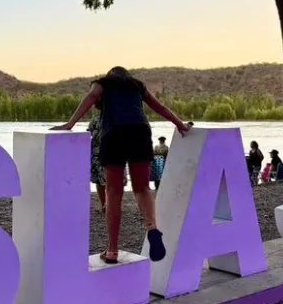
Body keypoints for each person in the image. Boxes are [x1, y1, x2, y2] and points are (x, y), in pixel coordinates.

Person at [52, 66, 190, 264]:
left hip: (114, 134)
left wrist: (70, 124)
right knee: (142, 188)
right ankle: (152, 227)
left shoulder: (103, 84)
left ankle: (112, 251)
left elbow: (91, 97)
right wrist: (180, 124)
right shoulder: (137, 86)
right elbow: (159, 107)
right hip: (141, 133)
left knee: (113, 192)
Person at [86, 110, 108, 212]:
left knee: (103, 181)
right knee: (101, 181)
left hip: (103, 153)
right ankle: (104, 204)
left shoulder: (95, 118)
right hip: (98, 153)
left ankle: (106, 204)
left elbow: (89, 132)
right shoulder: (95, 118)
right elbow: (89, 133)